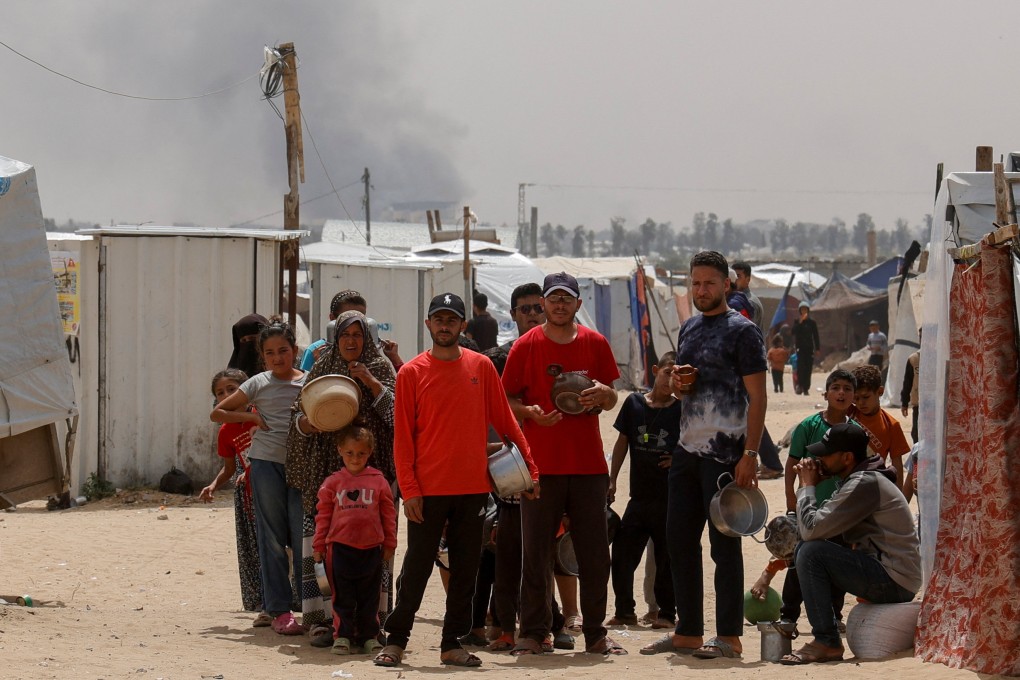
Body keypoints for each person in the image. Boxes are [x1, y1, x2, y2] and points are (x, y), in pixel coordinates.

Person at [374, 293, 537, 668]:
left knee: (465, 569)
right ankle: (397, 640)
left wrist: (530, 468)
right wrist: (410, 490)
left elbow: (508, 422)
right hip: (427, 491)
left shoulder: (481, 367)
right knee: (416, 568)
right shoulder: (411, 373)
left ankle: (451, 643)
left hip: (472, 488)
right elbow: (403, 439)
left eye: (452, 320)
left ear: (463, 325)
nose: (445, 325)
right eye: (438, 319)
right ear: (428, 324)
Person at [643, 251, 766, 661]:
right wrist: (678, 384)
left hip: (725, 456)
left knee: (723, 547)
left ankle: (729, 637)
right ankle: (688, 633)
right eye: (695, 283)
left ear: (726, 285)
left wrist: (750, 453)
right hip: (686, 451)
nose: (701, 290)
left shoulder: (743, 332)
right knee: (679, 542)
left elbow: (758, 396)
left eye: (709, 283)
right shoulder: (690, 329)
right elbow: (687, 390)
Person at [502, 271, 625, 657]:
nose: (558, 305)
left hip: (588, 465)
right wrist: (530, 414)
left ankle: (595, 632)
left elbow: (611, 397)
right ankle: (534, 632)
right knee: (535, 553)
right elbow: (505, 402)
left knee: (593, 554)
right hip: (540, 467)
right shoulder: (526, 346)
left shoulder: (595, 343)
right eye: (551, 299)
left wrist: (605, 394)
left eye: (565, 298)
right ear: (543, 304)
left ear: (577, 304)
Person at [287, 310, 397, 647]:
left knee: (372, 552)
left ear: (367, 338)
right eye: (345, 335)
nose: (351, 341)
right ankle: (322, 622)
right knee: (322, 547)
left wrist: (369, 382)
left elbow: (397, 412)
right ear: (336, 338)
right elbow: (298, 413)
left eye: (358, 335)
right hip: (327, 474)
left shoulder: (379, 367)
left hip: (372, 475)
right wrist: (309, 424)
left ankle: (371, 624)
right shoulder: (321, 368)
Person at [483, 283, 576, 654]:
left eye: (538, 307)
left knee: (545, 556)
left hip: (554, 470)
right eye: (525, 310)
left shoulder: (563, 351)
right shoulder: (499, 358)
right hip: (510, 468)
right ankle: (505, 627)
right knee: (506, 553)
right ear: (513, 315)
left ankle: (552, 624)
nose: (533, 314)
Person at [780, 423, 921, 664]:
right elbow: (822, 524)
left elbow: (811, 530)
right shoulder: (859, 478)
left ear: (847, 457)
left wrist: (807, 486)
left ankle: (826, 640)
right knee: (814, 547)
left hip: (894, 579)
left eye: (825, 454)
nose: (819, 458)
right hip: (893, 573)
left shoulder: (863, 483)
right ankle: (822, 627)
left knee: (810, 552)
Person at [211, 320, 305, 636]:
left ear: (294, 350)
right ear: (262, 357)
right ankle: (279, 609)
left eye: (283, 350)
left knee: (302, 536)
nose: (278, 358)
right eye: (270, 353)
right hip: (265, 465)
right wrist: (250, 416)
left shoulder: (307, 383)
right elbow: (218, 413)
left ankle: (312, 609)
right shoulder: (257, 383)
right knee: (272, 539)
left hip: (300, 467)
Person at [608, 351, 679, 630]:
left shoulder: (681, 409)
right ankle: (625, 611)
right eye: (666, 372)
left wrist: (678, 458)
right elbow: (621, 443)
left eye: (676, 375)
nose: (670, 380)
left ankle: (666, 614)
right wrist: (612, 479)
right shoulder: (634, 403)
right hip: (638, 499)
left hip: (668, 500)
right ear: (655, 370)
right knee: (623, 556)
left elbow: (694, 444)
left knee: (666, 560)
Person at [781, 369, 858, 628]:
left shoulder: (855, 432)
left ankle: (835, 616)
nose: (841, 393)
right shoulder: (808, 426)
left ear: (854, 396)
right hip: (808, 508)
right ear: (826, 394)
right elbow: (791, 464)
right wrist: (791, 499)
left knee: (838, 564)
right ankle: (788, 615)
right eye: (836, 387)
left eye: (847, 388)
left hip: (840, 513)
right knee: (798, 561)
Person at [312, 425, 397, 656]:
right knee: (343, 597)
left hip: (371, 550)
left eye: (361, 453)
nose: (355, 458)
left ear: (369, 452)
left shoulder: (379, 481)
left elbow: (389, 514)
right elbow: (323, 516)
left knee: (370, 596)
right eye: (350, 453)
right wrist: (319, 545)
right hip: (339, 549)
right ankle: (343, 637)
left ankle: (369, 635)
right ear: (340, 450)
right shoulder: (332, 482)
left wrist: (390, 542)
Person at [198, 368, 265, 625]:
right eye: (220, 393)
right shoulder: (226, 431)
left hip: (270, 489)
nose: (227, 395)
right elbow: (229, 467)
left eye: (232, 390)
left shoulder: (261, 415)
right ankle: (259, 599)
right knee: (254, 546)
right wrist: (214, 485)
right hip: (248, 496)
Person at [849, 364, 909, 488]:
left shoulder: (891, 425)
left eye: (866, 397)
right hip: (845, 482)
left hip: (873, 484)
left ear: (880, 392)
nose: (860, 403)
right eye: (856, 398)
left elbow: (896, 463)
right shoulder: (848, 413)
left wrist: (898, 496)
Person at [791, 302, 820, 395]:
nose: (804, 311)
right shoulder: (797, 321)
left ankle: (806, 388)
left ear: (808, 310)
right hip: (800, 349)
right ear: (800, 311)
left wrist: (817, 348)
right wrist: (800, 322)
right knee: (801, 368)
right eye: (802, 309)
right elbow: (793, 332)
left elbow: (815, 336)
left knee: (808, 368)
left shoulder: (812, 323)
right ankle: (799, 386)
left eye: (805, 309)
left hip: (809, 349)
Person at [228, 313, 268, 379]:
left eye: (253, 338)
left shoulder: (277, 370)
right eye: (243, 340)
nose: (248, 343)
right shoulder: (232, 377)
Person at [900, 331, 921, 443]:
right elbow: (907, 382)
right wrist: (904, 402)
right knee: (916, 433)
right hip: (919, 402)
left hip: (935, 404)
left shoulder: (938, 359)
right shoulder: (914, 359)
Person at [732, 261, 764, 329]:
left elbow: (746, 331)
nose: (735, 280)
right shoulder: (735, 300)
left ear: (748, 280)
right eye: (733, 276)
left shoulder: (749, 303)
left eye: (738, 276)